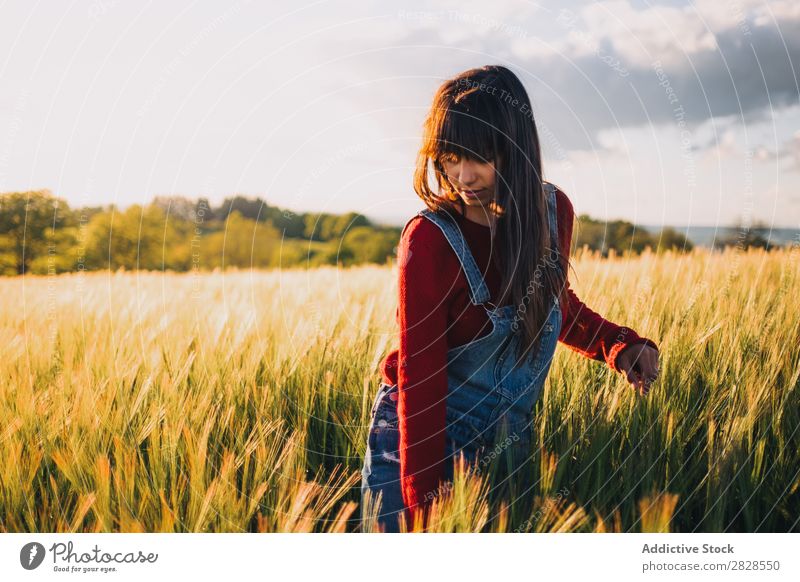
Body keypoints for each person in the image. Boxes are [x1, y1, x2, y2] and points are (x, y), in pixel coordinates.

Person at [360, 65, 660, 533]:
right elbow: (420, 379)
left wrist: (619, 345)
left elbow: (551, 305)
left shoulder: (552, 212)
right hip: (418, 445)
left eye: (477, 157)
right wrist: (425, 505)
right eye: (448, 158)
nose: (460, 175)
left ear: (515, 147)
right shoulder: (430, 241)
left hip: (508, 447)